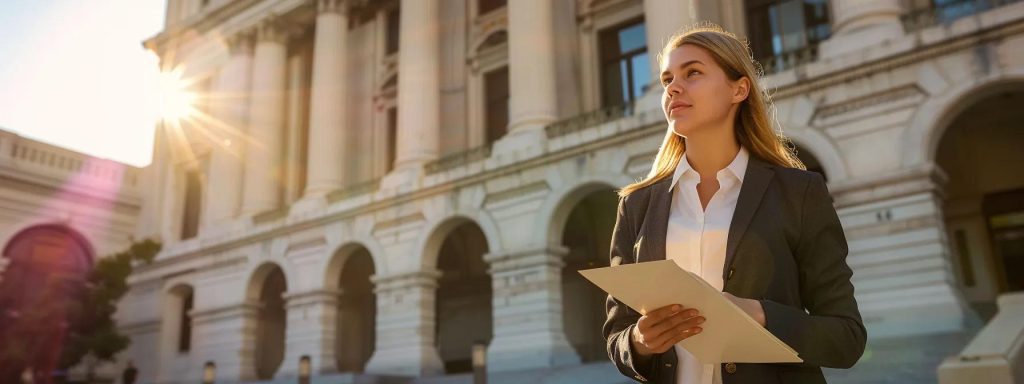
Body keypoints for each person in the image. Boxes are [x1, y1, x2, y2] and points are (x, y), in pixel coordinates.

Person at [603, 24, 866, 384]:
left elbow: (846, 338)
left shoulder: (798, 193)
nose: (673, 88)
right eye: (667, 79)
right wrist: (640, 341)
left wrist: (760, 315)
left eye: (692, 72)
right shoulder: (636, 205)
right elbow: (618, 336)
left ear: (739, 89)